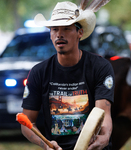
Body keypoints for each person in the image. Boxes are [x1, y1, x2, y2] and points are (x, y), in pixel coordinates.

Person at [21, 1, 114, 150]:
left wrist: (105, 137)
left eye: (66, 28)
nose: (59, 34)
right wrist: (45, 144)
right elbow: (27, 123)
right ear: (50, 34)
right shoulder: (39, 72)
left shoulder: (100, 67)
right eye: (54, 29)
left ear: (80, 33)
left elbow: (104, 115)